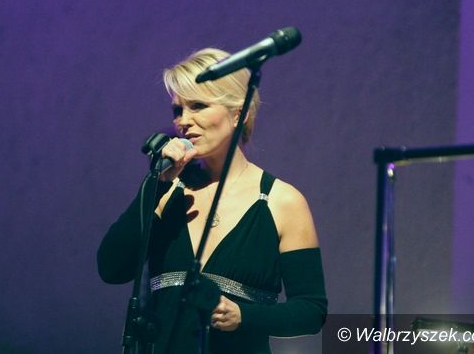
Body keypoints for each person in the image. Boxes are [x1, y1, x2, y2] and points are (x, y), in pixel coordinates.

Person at [97, 48, 327, 353]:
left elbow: (311, 310)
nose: (183, 121)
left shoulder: (281, 201)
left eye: (198, 106)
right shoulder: (167, 190)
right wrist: (156, 185)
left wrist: (244, 316)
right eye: (177, 110)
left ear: (239, 113)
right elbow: (112, 269)